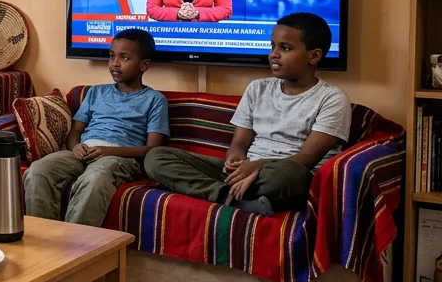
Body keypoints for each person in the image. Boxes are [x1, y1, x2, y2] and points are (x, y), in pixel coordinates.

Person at [144, 12, 350, 216]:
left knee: (289, 175)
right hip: (245, 169)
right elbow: (240, 141)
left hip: (281, 175)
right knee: (156, 157)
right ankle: (228, 196)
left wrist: (257, 167)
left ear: (313, 56)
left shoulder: (332, 99)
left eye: (285, 48)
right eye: (273, 46)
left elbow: (306, 159)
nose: (273, 54)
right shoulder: (257, 88)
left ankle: (220, 193)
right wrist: (235, 160)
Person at [23, 30, 168, 227]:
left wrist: (107, 151)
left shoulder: (155, 100)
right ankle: (44, 239)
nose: (114, 63)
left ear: (144, 65)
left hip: (119, 158)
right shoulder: (95, 92)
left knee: (95, 178)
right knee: (38, 170)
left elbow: (152, 149)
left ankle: (77, 249)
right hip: (84, 151)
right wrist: (75, 147)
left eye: (124, 57)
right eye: (111, 56)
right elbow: (75, 131)